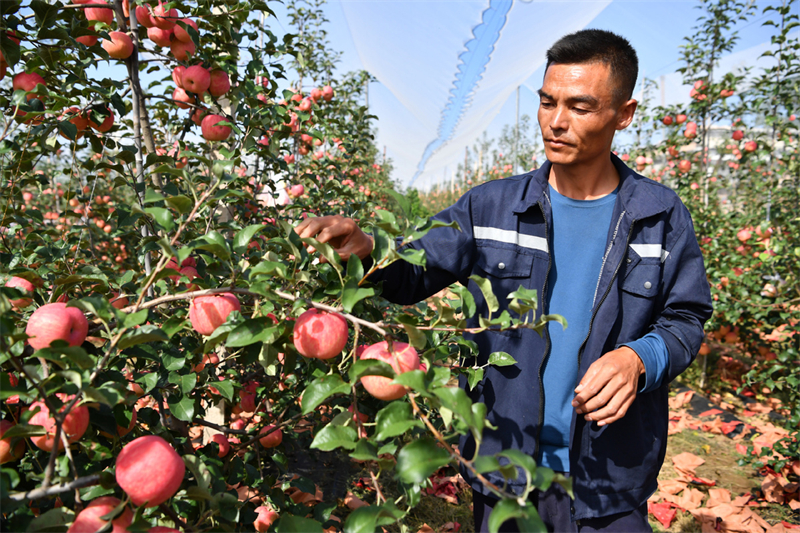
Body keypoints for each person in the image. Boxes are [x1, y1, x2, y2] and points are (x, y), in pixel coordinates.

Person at [296, 29, 712, 532]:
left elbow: (686, 318)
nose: (556, 122)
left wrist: (637, 358)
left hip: (610, 475)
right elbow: (408, 275)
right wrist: (366, 252)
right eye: (546, 102)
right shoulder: (489, 208)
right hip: (505, 469)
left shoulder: (659, 215)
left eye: (580, 107)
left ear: (624, 113)